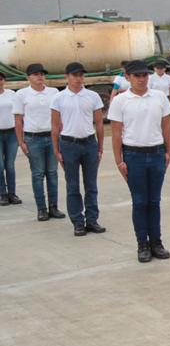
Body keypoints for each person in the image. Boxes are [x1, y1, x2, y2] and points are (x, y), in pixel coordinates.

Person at [108, 60, 170, 262]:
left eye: (145, 75)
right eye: (137, 76)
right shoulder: (120, 101)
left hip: (156, 154)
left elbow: (166, 126)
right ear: (128, 77)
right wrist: (119, 161)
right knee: (140, 201)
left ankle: (156, 242)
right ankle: (142, 244)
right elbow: (116, 133)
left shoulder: (159, 97)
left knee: (154, 201)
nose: (142, 79)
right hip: (133, 156)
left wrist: (168, 152)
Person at [50, 62, 105, 235]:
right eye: (75, 75)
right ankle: (77, 222)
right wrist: (56, 150)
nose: (79, 78)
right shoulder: (59, 98)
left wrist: (100, 147)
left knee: (91, 185)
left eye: (81, 75)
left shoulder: (92, 96)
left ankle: (92, 220)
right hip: (69, 144)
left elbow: (99, 123)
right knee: (73, 185)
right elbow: (55, 125)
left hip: (89, 143)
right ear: (67, 77)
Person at [14, 63, 63, 221]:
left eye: (42, 74)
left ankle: (53, 207)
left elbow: (58, 116)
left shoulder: (53, 92)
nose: (40, 77)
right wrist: (21, 142)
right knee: (37, 174)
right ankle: (41, 209)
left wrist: (59, 136)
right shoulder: (22, 94)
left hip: (52, 137)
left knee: (53, 173)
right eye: (36, 74)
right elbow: (18, 120)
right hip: (33, 138)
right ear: (28, 77)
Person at [0, 72, 19, 206]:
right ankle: (3, 194)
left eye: (0, 79)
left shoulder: (12, 94)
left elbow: (18, 113)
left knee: (10, 165)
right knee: (0, 166)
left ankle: (12, 193)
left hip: (12, 134)